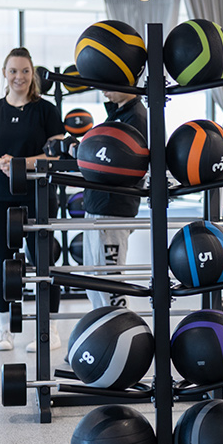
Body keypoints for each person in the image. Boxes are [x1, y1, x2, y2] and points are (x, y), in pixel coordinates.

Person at [0, 47, 64, 352]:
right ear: (4, 73)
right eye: (13, 71)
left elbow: (56, 154)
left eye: (25, 71)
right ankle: (4, 329)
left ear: (33, 75)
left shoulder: (47, 110)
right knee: (4, 260)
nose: (19, 77)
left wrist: (23, 162)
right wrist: (1, 163)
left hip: (37, 195)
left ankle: (49, 328)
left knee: (43, 261)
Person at [82, 89, 147, 310]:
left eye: (108, 82)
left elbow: (123, 164)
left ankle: (121, 332)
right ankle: (104, 334)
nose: (103, 90)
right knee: (94, 282)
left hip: (113, 210)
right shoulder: (118, 114)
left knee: (111, 283)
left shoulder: (136, 117)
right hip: (98, 206)